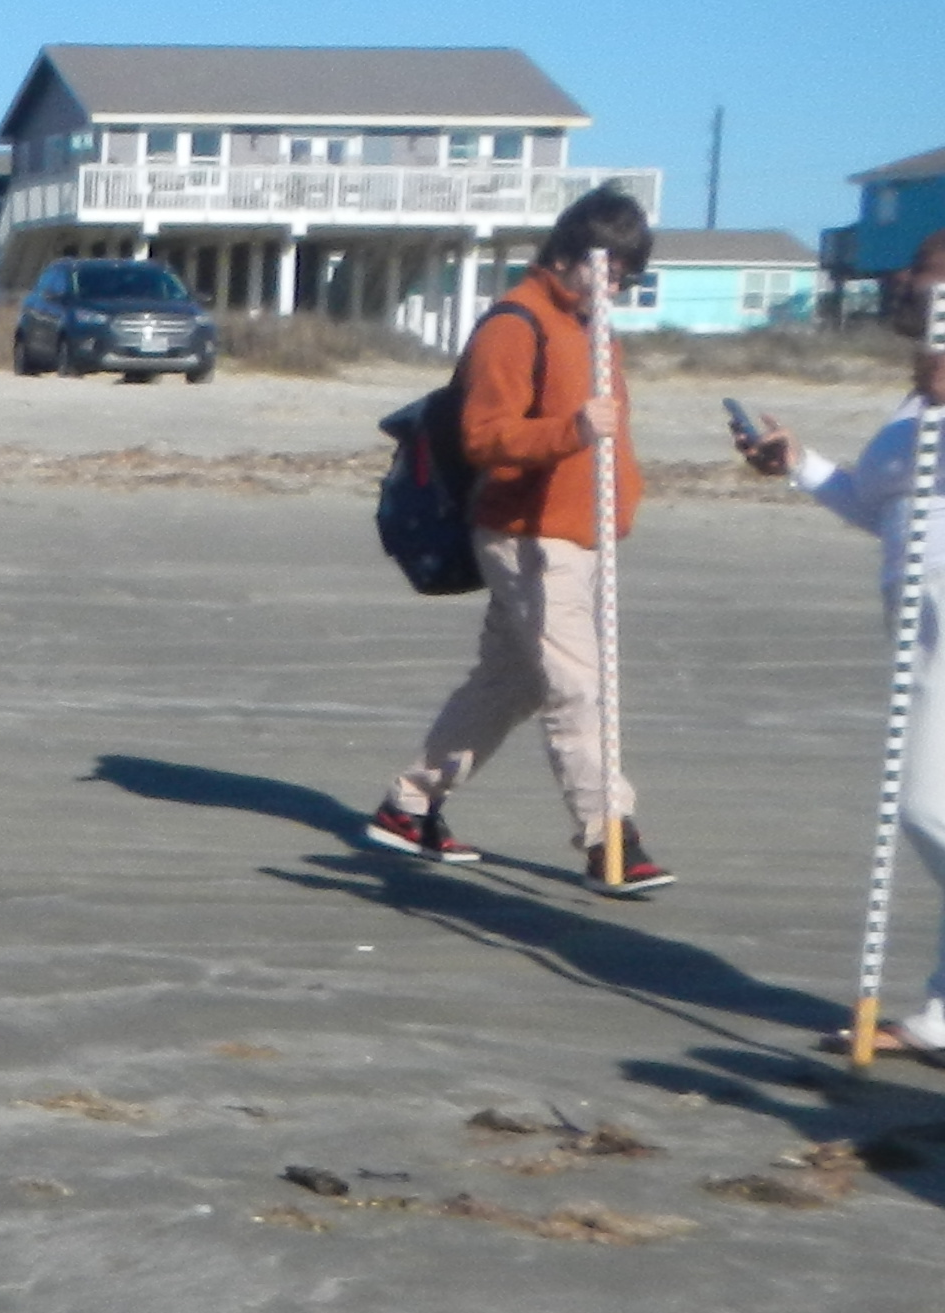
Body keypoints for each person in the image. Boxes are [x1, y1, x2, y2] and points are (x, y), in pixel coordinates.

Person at [365, 186, 670, 892]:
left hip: (579, 537)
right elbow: (484, 438)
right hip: (526, 536)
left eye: (629, 272)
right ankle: (609, 837)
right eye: (612, 267)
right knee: (576, 686)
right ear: (570, 254)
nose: (619, 283)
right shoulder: (515, 324)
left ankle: (408, 806)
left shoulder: (592, 326)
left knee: (507, 685)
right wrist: (572, 432)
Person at [738, 228, 945, 1051]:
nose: (902, 278)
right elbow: (884, 505)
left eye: (924, 267)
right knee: (928, 803)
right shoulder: (914, 396)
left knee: (926, 805)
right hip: (917, 626)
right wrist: (801, 465)